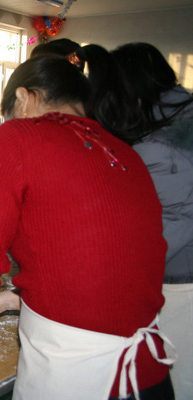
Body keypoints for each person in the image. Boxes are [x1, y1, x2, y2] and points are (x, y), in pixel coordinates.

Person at [0, 55, 175, 399]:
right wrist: (11, 299)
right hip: (148, 374)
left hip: (80, 375)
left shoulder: (18, 136)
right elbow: (100, 264)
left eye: (7, 115)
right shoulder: (124, 152)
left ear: (23, 99)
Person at [86, 42, 193, 400]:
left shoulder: (161, 146)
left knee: (177, 370)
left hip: (181, 280)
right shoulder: (178, 116)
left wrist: (108, 270)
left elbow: (165, 227)